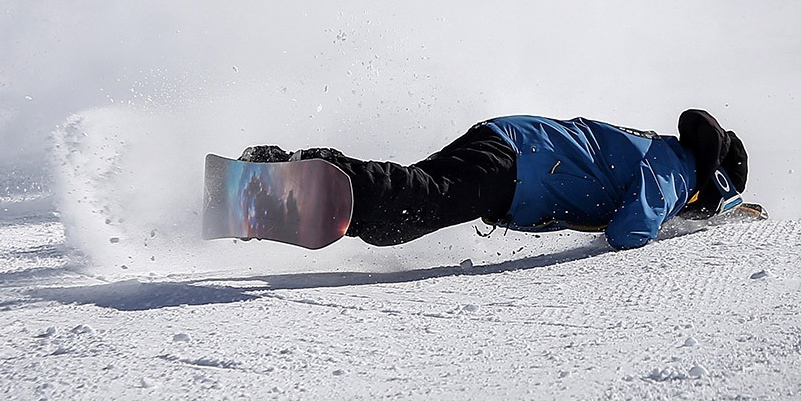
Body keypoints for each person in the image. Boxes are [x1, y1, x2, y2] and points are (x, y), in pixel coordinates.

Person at [240, 109, 749, 250]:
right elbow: (631, 230)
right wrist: (675, 229)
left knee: (400, 219)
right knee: (416, 200)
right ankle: (279, 170)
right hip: (516, 163)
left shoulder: (662, 154)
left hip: (511, 150)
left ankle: (287, 177)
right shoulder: (674, 170)